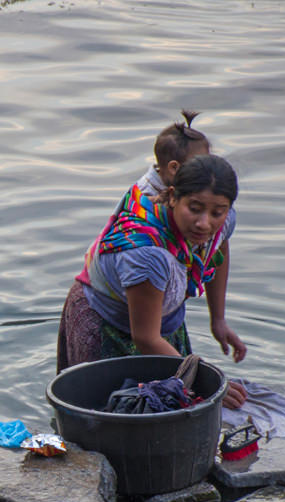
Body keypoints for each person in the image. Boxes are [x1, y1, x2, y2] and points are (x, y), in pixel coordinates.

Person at [57, 154, 248, 409]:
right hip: (107, 320)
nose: (204, 223)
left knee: (173, 404)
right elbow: (146, 338)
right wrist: (209, 385)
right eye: (194, 208)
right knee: (108, 412)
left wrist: (219, 319)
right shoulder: (148, 254)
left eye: (217, 212)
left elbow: (218, 246)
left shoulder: (221, 221)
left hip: (159, 315)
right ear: (172, 196)